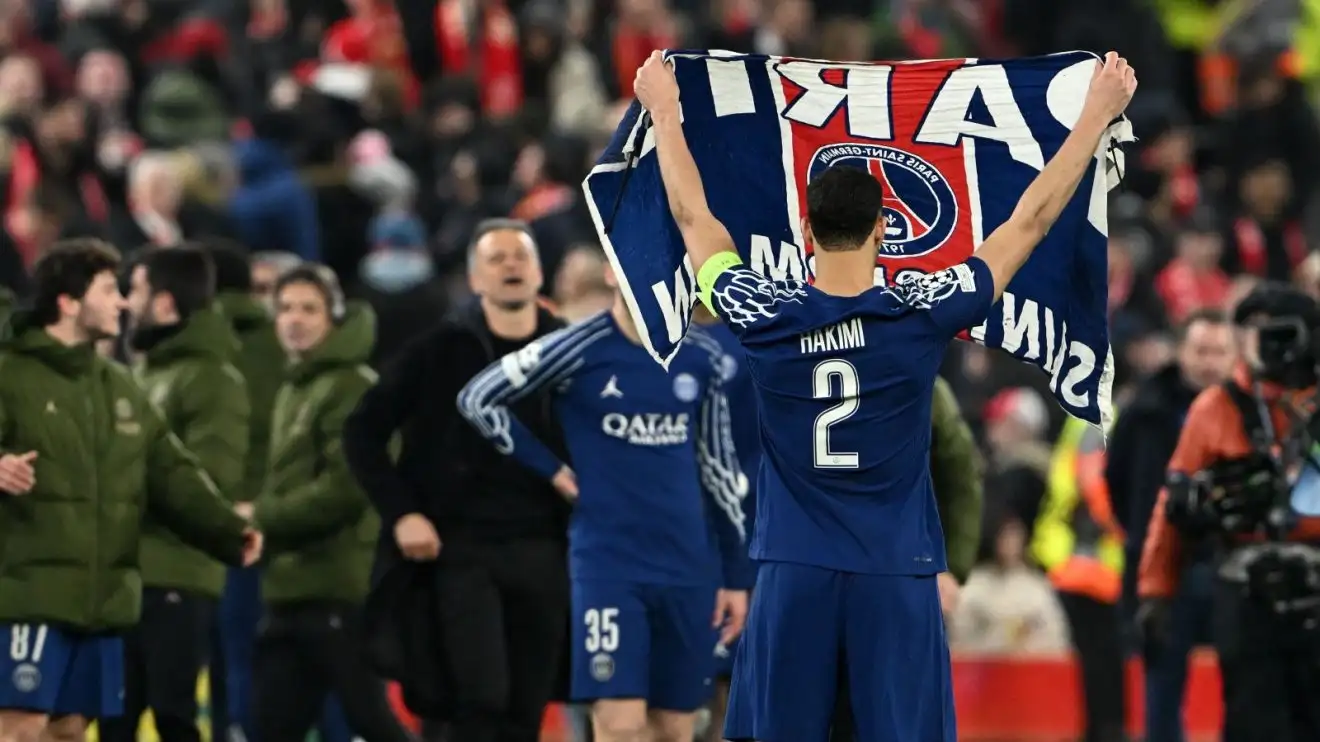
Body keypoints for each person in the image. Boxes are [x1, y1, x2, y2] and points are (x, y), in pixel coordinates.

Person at [631, 49, 1137, 741]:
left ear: (805, 233)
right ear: (883, 231)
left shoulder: (761, 312)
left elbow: (695, 220)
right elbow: (1029, 221)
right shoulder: (922, 311)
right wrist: (1093, 116)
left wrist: (663, 107)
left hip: (794, 568)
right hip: (895, 571)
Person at [456, 267, 753, 742]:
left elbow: (719, 470)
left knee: (677, 728)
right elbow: (478, 398)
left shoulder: (702, 356)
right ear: (615, 273)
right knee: (620, 723)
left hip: (687, 566)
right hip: (609, 564)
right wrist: (551, 469)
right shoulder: (578, 348)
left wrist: (737, 576)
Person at [0, 238, 263, 742]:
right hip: (27, 596)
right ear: (68, 302)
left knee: (71, 730)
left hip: (100, 602)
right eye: (108, 290)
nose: (122, 302)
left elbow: (172, 471)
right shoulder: (11, 373)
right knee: (21, 728)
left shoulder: (120, 386)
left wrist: (227, 531)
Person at [344, 220, 569, 742]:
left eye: (520, 256)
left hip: (545, 548)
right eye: (496, 258)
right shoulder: (438, 350)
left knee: (528, 705)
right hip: (459, 549)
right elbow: (362, 431)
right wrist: (402, 513)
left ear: (539, 273)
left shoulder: (567, 352)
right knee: (478, 700)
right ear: (473, 278)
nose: (510, 265)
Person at [1139, 283, 1320, 742]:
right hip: (1245, 588)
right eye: (1252, 332)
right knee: (1253, 723)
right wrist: (1156, 591)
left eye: (1277, 333)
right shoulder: (1215, 407)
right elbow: (1173, 505)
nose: (1262, 345)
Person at [243, 265, 414, 742]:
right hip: (292, 589)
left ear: (333, 318)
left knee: (370, 718)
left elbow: (345, 489)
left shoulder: (351, 386)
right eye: (286, 309)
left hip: (340, 588)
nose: (295, 319)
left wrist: (259, 518)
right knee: (273, 724)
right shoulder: (296, 386)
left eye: (309, 309)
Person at [99, 245, 249, 742]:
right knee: (116, 720)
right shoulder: (143, 374)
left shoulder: (212, 378)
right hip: (131, 574)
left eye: (134, 290)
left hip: (177, 577)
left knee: (173, 717)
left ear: (164, 304)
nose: (124, 303)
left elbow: (211, 479)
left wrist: (115, 484)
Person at [1105, 309, 1234, 742]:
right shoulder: (1144, 410)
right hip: (1162, 569)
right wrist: (1147, 534)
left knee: (1247, 685)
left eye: (1218, 352)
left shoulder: (1250, 413)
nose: (1208, 362)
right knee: (1160, 689)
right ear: (1181, 351)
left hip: (1229, 564)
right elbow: (1116, 479)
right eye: (1200, 350)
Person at [202, 238, 286, 742]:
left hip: (199, 533)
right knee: (248, 654)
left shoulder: (181, 349)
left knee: (223, 656)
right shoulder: (281, 351)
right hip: (264, 528)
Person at [1031, 417, 1127, 742]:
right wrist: (1126, 528)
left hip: (1079, 562)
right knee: (1102, 663)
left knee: (1097, 663)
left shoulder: (1079, 418)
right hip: (1091, 566)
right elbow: (1093, 487)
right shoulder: (1099, 419)